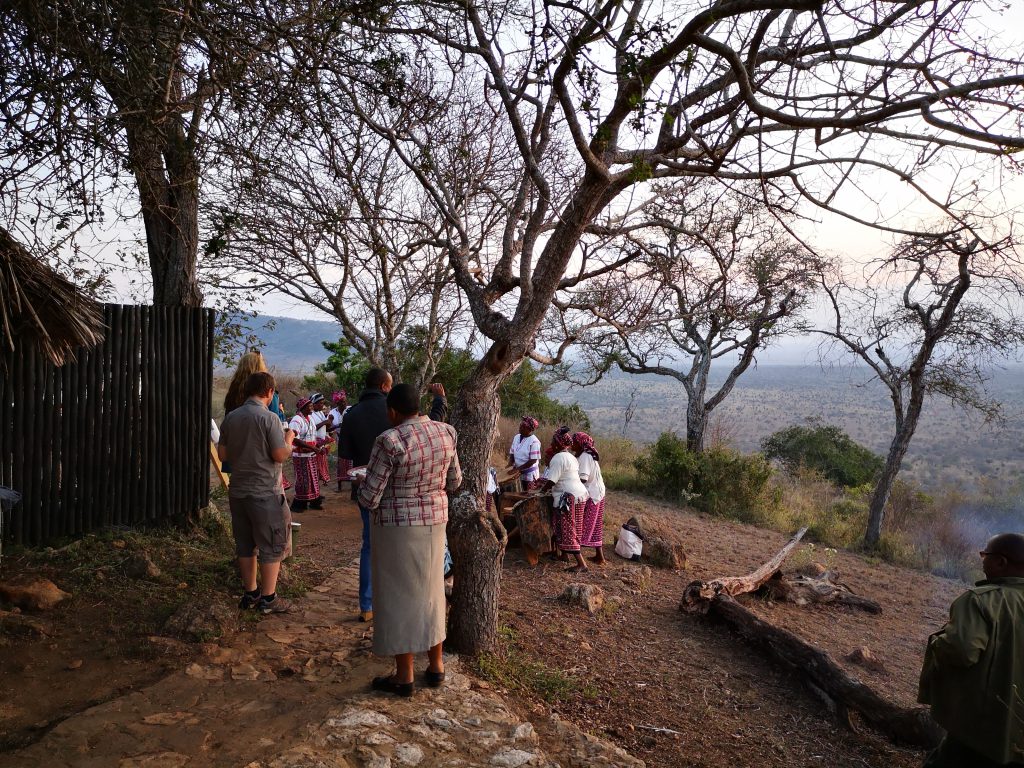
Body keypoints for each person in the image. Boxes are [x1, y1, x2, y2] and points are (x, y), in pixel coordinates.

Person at [358, 383, 462, 696]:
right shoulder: (447, 432)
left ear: (392, 411)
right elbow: (454, 481)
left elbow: (371, 497)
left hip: (398, 529)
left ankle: (404, 676)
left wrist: (363, 482)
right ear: (419, 406)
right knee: (432, 593)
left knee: (399, 597)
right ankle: (436, 666)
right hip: (435, 523)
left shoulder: (389, 440)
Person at [918, 532, 1024, 768]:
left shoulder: (982, 601)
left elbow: (961, 651)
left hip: (987, 727)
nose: (982, 560)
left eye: (984, 554)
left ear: (1001, 562)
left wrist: (938, 641)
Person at [217, 371, 294, 614]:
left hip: (238, 491)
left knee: (245, 544)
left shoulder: (231, 418)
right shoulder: (269, 418)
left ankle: (250, 594)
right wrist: (289, 439)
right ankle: (269, 599)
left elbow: (222, 455)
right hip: (265, 493)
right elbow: (279, 454)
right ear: (270, 392)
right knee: (272, 544)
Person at [338, 367, 393, 622]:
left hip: (364, 486)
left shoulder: (351, 414)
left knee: (369, 545)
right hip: (394, 489)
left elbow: (345, 456)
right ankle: (393, 601)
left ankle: (366, 605)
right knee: (397, 544)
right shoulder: (394, 411)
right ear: (384, 386)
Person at [533, 429, 589, 572]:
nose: (551, 444)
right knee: (569, 527)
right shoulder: (570, 457)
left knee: (568, 529)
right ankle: (564, 556)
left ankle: (581, 564)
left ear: (558, 444)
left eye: (553, 441)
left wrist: (541, 491)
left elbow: (552, 481)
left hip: (568, 497)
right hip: (579, 495)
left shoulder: (558, 458)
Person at [573, 431, 606, 565]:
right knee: (596, 526)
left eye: (574, 442)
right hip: (598, 492)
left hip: (592, 494)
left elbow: (583, 478)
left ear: (580, 444)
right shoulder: (586, 454)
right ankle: (600, 557)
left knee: (582, 525)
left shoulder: (585, 457)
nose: (572, 444)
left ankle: (577, 558)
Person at [288, 397, 325, 511]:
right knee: (303, 481)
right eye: (309, 406)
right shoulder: (296, 420)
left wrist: (320, 445)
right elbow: (295, 439)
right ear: (303, 408)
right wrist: (313, 448)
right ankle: (299, 505)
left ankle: (314, 502)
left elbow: (313, 436)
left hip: (311, 454)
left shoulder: (310, 419)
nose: (311, 408)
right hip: (301, 456)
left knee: (313, 479)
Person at [507, 417, 542, 492]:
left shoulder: (534, 441)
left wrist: (518, 469)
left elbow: (533, 460)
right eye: (521, 425)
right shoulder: (516, 437)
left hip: (529, 476)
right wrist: (510, 464)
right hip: (517, 473)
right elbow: (512, 453)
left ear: (530, 430)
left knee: (526, 496)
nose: (520, 428)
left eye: (523, 427)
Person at [309, 392, 334, 483]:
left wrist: (329, 421)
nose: (322, 405)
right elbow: (312, 428)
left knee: (321, 465)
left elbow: (326, 427)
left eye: (323, 403)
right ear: (314, 404)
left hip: (322, 443)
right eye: (320, 403)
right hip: (315, 444)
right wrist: (325, 422)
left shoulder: (320, 413)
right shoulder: (310, 414)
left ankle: (319, 484)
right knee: (315, 467)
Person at [329, 391, 351, 491]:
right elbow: (328, 428)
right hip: (339, 438)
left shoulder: (350, 410)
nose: (344, 403)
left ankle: (353, 485)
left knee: (352, 460)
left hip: (351, 438)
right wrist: (338, 426)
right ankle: (340, 485)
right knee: (340, 461)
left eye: (345, 401)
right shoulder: (332, 413)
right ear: (337, 403)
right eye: (342, 402)